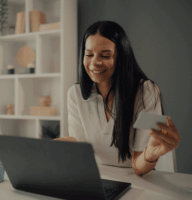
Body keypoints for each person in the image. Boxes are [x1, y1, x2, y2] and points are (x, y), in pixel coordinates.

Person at [54, 21, 181, 176]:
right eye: (89, 54)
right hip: (99, 176)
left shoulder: (146, 91)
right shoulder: (75, 93)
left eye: (105, 55)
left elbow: (138, 164)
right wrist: (64, 146)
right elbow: (82, 146)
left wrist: (150, 154)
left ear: (122, 57)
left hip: (138, 178)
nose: (94, 62)